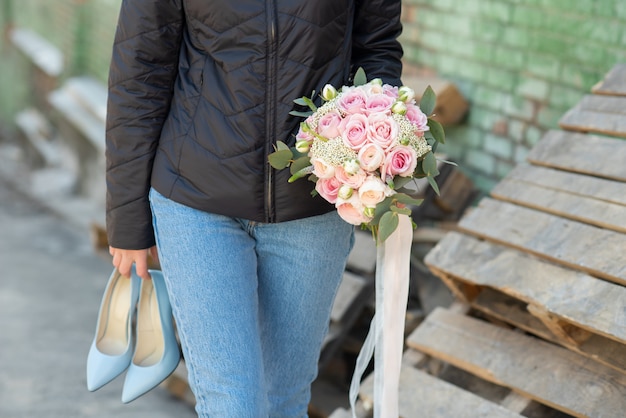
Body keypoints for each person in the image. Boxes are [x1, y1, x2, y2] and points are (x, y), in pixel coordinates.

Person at [105, 0, 403, 416]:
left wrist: (371, 141)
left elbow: (377, 48)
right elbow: (139, 71)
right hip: (194, 199)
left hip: (310, 208)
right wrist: (127, 218)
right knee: (234, 405)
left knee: (285, 402)